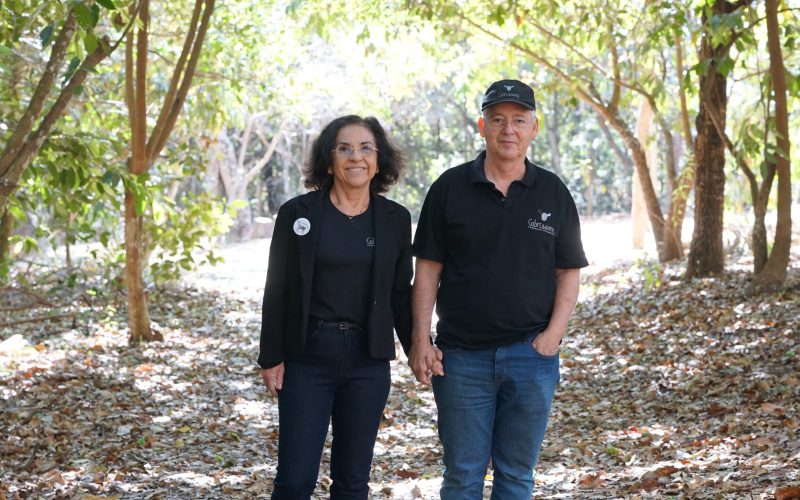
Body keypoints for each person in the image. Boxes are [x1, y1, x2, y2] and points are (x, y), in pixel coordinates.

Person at [409, 79, 588, 499]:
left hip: (532, 357)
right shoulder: (449, 189)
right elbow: (428, 270)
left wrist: (551, 338)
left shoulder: (553, 192)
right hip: (461, 358)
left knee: (516, 476)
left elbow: (569, 271)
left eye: (518, 121)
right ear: (482, 125)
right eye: (498, 120)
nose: (508, 130)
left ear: (533, 128)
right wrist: (422, 339)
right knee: (462, 476)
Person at [258, 115, 413, 499]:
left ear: (379, 161)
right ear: (329, 161)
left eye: (365, 148)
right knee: (294, 481)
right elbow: (277, 288)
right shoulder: (298, 214)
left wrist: (418, 349)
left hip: (368, 361)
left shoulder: (396, 219)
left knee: (352, 482)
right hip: (307, 356)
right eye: (344, 148)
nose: (355, 156)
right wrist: (270, 356)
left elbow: (399, 293)